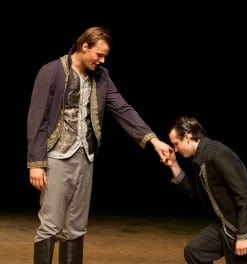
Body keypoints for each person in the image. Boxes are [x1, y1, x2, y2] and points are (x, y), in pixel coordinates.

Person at [27, 26, 172, 264]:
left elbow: (123, 109)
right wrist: (36, 163)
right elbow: (37, 119)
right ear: (85, 46)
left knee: (76, 226)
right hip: (56, 157)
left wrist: (153, 140)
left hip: (85, 158)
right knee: (51, 224)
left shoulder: (102, 77)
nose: (102, 60)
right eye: (99, 55)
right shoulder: (52, 71)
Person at [161, 116, 247, 264]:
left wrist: (244, 235)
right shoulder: (201, 158)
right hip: (226, 226)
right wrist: (174, 165)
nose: (175, 149)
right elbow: (194, 194)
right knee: (195, 250)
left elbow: (245, 194)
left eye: (176, 143)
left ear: (188, 137)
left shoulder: (217, 154)